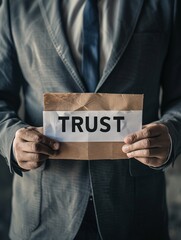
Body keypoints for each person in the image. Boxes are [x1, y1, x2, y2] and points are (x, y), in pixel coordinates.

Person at [0, 0, 181, 239]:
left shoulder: (167, 5)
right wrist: (12, 139)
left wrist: (172, 134)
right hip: (44, 214)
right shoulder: (16, 6)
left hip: (134, 213)